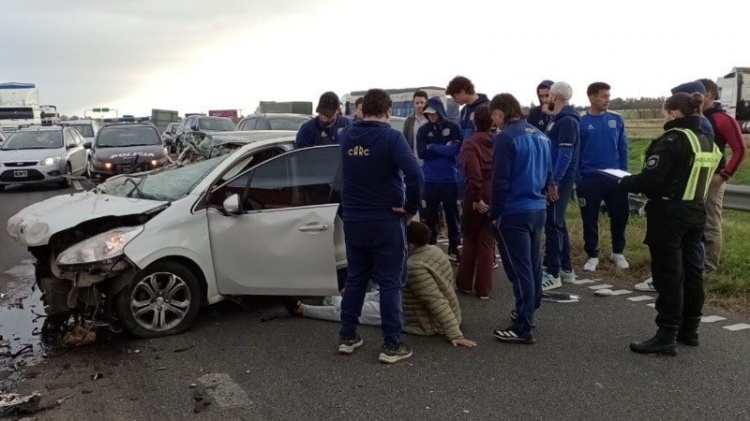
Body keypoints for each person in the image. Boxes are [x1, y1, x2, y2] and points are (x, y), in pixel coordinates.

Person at [620, 92, 721, 356]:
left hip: (669, 213)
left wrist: (624, 182)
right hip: (696, 211)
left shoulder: (672, 140)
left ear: (674, 113)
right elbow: (716, 166)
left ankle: (666, 334)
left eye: (665, 113)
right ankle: (690, 330)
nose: (663, 117)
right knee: (692, 273)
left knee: (669, 275)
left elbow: (651, 181)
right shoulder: (706, 139)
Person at [338, 88, 424, 364]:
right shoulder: (392, 138)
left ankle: (347, 336)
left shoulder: (347, 136)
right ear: (389, 111)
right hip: (385, 219)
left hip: (354, 219)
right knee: (389, 281)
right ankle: (392, 344)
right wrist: (411, 208)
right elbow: (415, 174)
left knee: (356, 277)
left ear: (363, 109)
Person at [295, 222, 477, 349]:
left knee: (355, 310)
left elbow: (435, 301)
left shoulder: (415, 268)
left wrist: (455, 334)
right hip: (414, 303)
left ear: (410, 245)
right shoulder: (435, 250)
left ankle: (305, 309)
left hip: (418, 318)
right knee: (369, 297)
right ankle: (335, 298)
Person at [634, 80, 718, 292]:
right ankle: (688, 303)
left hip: (675, 204)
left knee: (674, 263)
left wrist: (629, 183)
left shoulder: (682, 135)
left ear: (674, 112)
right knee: (691, 261)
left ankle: (670, 298)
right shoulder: (702, 127)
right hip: (694, 202)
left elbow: (663, 173)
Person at [488, 93, 552, 344]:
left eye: (494, 118)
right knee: (533, 265)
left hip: (514, 209)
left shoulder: (506, 138)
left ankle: (523, 325)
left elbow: (500, 181)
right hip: (538, 207)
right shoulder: (541, 135)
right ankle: (529, 310)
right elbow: (548, 174)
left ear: (499, 113)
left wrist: (495, 214)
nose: (495, 123)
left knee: (518, 268)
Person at [577, 82, 630, 272]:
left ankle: (618, 252)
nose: (607, 100)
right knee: (590, 218)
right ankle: (592, 255)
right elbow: (576, 152)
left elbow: (623, 147)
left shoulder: (616, 119)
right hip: (590, 178)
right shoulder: (581, 121)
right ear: (592, 97)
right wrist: (578, 178)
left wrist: (624, 174)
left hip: (615, 177)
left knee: (620, 215)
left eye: (608, 96)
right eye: (603, 96)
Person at [698, 78, 747, 272]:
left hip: (713, 177)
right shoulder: (695, 117)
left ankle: (709, 266)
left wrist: (724, 176)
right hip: (694, 178)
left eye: (697, 92)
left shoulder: (722, 119)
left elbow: (740, 150)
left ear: (709, 94)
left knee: (710, 222)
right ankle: (695, 261)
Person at [541, 82, 579, 290]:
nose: (546, 99)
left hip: (560, 180)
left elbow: (565, 155)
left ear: (554, 97)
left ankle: (554, 274)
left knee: (553, 224)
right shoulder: (556, 119)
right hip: (554, 177)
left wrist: (554, 182)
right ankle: (565, 268)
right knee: (558, 223)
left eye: (548, 95)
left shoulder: (567, 121)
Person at [455, 105, 495, 299]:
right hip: (494, 191)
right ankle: (484, 289)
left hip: (475, 193)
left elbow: (473, 172)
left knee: (470, 238)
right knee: (488, 240)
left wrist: (476, 197)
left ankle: (464, 283)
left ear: (474, 121)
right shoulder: (498, 141)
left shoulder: (470, 143)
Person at [417, 97, 463, 260]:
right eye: (428, 114)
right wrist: (444, 148)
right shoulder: (423, 130)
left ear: (440, 111)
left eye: (433, 113)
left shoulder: (453, 127)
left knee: (452, 216)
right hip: (430, 180)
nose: (431, 116)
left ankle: (454, 247)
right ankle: (430, 247)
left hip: (449, 179)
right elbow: (422, 153)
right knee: (430, 217)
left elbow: (455, 151)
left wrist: (433, 147)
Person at [402, 90, 429, 162]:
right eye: (417, 103)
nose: (419, 105)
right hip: (413, 162)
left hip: (429, 163)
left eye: (422, 102)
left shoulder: (431, 120)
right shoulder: (409, 121)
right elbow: (404, 142)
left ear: (426, 103)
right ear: (413, 104)